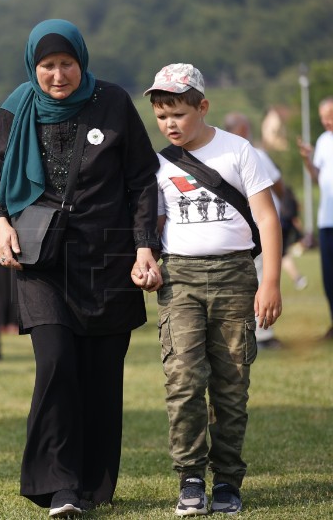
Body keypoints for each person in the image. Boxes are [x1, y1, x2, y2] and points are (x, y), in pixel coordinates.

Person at [0, 20, 161, 516]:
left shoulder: (114, 101)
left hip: (109, 257)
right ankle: (57, 484)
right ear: (33, 67)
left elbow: (143, 179)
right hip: (41, 258)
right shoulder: (16, 109)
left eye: (66, 64)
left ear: (82, 60)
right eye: (47, 66)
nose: (57, 75)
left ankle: (90, 485)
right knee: (56, 361)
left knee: (101, 375)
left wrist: (146, 246)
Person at [145, 63, 283, 516]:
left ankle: (226, 481)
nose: (170, 125)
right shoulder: (160, 163)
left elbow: (267, 218)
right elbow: (153, 226)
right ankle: (189, 478)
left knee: (231, 386)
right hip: (180, 279)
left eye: (179, 114)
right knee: (183, 380)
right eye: (162, 116)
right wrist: (143, 259)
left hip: (235, 278)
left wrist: (271, 283)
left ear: (202, 107)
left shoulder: (239, 151)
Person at [224, 112, 285, 349]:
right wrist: (282, 204)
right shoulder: (252, 152)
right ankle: (262, 335)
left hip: (240, 229)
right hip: (258, 229)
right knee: (260, 277)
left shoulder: (221, 154)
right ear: (241, 128)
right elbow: (277, 183)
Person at [298, 97, 333, 340]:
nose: (326, 122)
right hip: (326, 219)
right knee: (329, 277)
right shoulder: (323, 140)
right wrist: (307, 160)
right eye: (323, 118)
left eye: (330, 116)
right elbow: (316, 178)